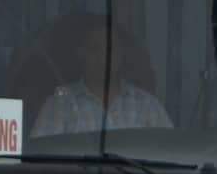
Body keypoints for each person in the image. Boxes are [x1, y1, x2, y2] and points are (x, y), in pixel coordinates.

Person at [32, 18, 171, 137]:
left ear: (121, 54)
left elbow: (168, 152)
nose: (104, 56)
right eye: (95, 48)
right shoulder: (60, 104)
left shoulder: (147, 105)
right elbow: (41, 155)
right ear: (82, 53)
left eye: (110, 48)